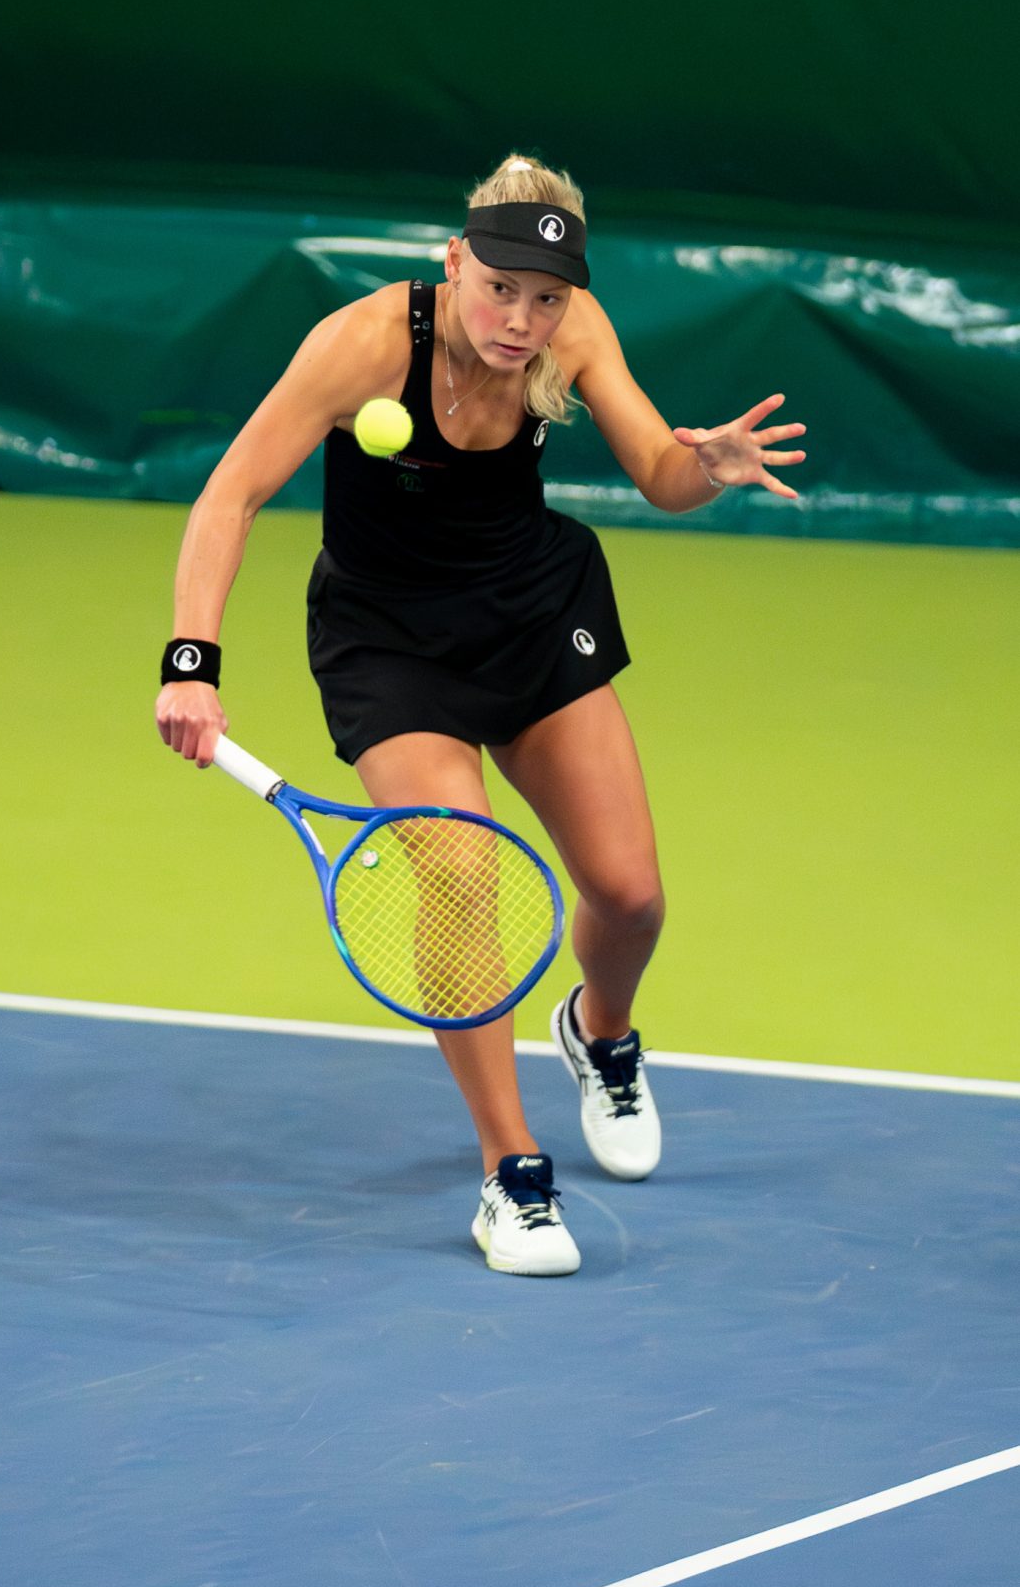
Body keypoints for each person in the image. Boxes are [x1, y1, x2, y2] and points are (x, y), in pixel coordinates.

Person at [155, 155, 805, 1277]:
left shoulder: (573, 333)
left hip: (528, 614)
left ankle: (599, 1031)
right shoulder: (363, 343)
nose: (521, 320)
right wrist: (190, 662)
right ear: (454, 261)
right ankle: (511, 1172)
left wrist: (709, 468)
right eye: (500, 288)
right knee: (458, 876)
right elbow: (232, 492)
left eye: (545, 298)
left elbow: (660, 473)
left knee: (630, 895)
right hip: (388, 643)